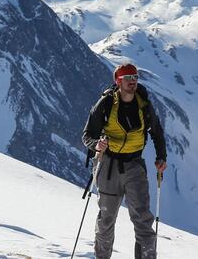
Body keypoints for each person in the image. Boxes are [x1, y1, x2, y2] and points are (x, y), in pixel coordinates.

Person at [82, 63, 168, 259]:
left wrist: (161, 156)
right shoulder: (105, 104)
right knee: (106, 220)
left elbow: (156, 131)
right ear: (118, 81)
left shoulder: (144, 104)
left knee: (143, 221)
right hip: (108, 165)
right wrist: (97, 145)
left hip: (134, 165)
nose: (133, 81)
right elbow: (87, 135)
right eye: (128, 78)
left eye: (135, 77)